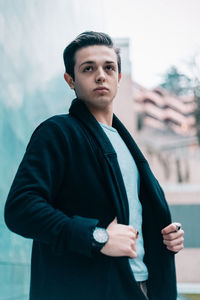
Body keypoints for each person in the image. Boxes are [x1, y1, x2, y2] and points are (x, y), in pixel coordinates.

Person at [4, 31, 184, 300]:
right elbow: (21, 209)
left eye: (108, 67)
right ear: (70, 80)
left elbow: (129, 217)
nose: (101, 75)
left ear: (119, 78)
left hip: (143, 288)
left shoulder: (127, 145)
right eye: (88, 68)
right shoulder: (58, 132)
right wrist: (96, 237)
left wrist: (165, 238)